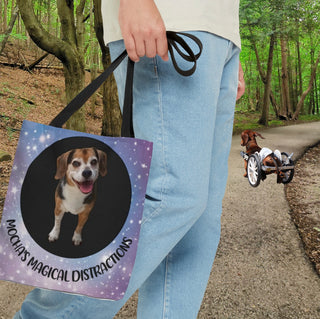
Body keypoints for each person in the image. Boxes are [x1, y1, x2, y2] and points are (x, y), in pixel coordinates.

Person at [14, 0, 244, 318]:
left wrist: (228, 40)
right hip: (170, 18)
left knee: (199, 223)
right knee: (172, 196)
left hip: (217, 33)